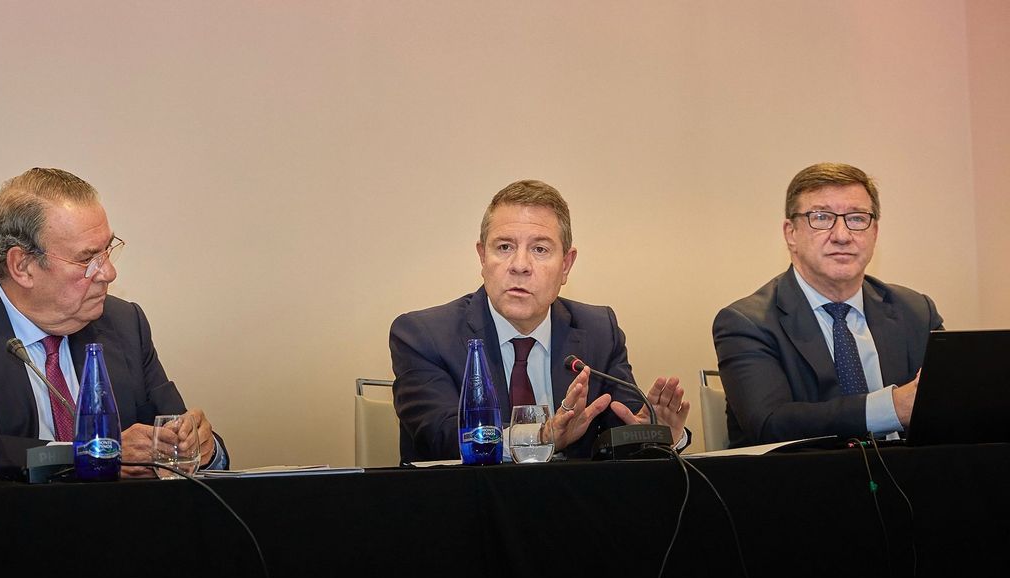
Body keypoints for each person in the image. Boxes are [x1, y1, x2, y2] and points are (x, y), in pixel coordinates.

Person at [0, 168, 227, 478]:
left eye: (107, 251)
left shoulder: (125, 323)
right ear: (22, 266)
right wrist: (86, 455)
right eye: (87, 259)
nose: (109, 273)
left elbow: (174, 441)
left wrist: (204, 450)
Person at [390, 179, 690, 463]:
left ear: (566, 265)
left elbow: (620, 429)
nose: (520, 265)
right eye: (504, 247)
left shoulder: (599, 330)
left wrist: (656, 436)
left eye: (540, 249)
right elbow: (442, 436)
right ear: (482, 257)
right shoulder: (423, 335)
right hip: (469, 508)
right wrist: (541, 437)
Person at [712, 162, 943, 447]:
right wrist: (891, 407)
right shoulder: (746, 323)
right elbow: (771, 424)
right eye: (821, 218)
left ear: (875, 233)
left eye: (857, 219)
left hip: (911, 482)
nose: (842, 235)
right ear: (791, 233)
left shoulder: (917, 312)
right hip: (802, 483)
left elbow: (951, 405)